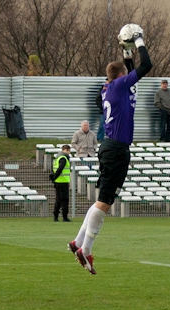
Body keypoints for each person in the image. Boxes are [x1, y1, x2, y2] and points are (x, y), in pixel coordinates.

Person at [68, 23, 152, 274]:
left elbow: (131, 70)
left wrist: (126, 52)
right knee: (105, 202)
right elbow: (145, 67)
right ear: (119, 78)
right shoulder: (117, 87)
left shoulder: (110, 88)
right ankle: (87, 249)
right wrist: (138, 41)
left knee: (101, 201)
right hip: (115, 148)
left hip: (112, 147)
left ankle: (78, 242)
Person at [50, 144, 72, 222]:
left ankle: (55, 216)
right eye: (67, 150)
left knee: (58, 200)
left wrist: (54, 178)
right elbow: (60, 169)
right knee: (64, 199)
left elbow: (55, 169)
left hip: (58, 182)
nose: (68, 152)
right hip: (63, 181)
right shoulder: (64, 158)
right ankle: (64, 217)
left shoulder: (58, 157)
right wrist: (55, 177)